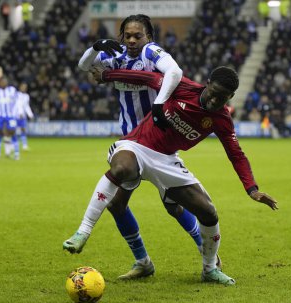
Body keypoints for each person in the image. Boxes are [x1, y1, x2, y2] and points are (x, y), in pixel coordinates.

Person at [66, 65, 278, 285]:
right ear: (207, 84)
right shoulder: (183, 87)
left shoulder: (222, 119)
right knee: (121, 171)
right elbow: (148, 78)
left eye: (222, 98)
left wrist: (252, 189)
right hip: (137, 146)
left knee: (208, 213)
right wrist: (107, 75)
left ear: (231, 97)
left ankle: (209, 269)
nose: (215, 101)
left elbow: (236, 153)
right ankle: (83, 232)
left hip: (167, 160)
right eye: (213, 93)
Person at [64, 14, 205, 280]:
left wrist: (159, 103)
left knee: (174, 207)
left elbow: (175, 71)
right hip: (130, 142)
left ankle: (206, 250)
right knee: (117, 205)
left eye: (137, 35)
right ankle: (143, 262)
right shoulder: (115, 55)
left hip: (158, 143)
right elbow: (84, 66)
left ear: (148, 37)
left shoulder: (151, 53)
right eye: (127, 35)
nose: (131, 40)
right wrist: (95, 46)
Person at [16, 82, 34, 150]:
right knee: (13, 130)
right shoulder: (16, 95)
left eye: (25, 87)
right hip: (15, 115)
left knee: (23, 130)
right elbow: (15, 105)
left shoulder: (26, 96)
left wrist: (30, 114)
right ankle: (13, 144)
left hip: (23, 116)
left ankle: (24, 145)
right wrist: (18, 113)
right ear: (20, 87)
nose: (24, 88)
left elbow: (26, 106)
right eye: (22, 86)